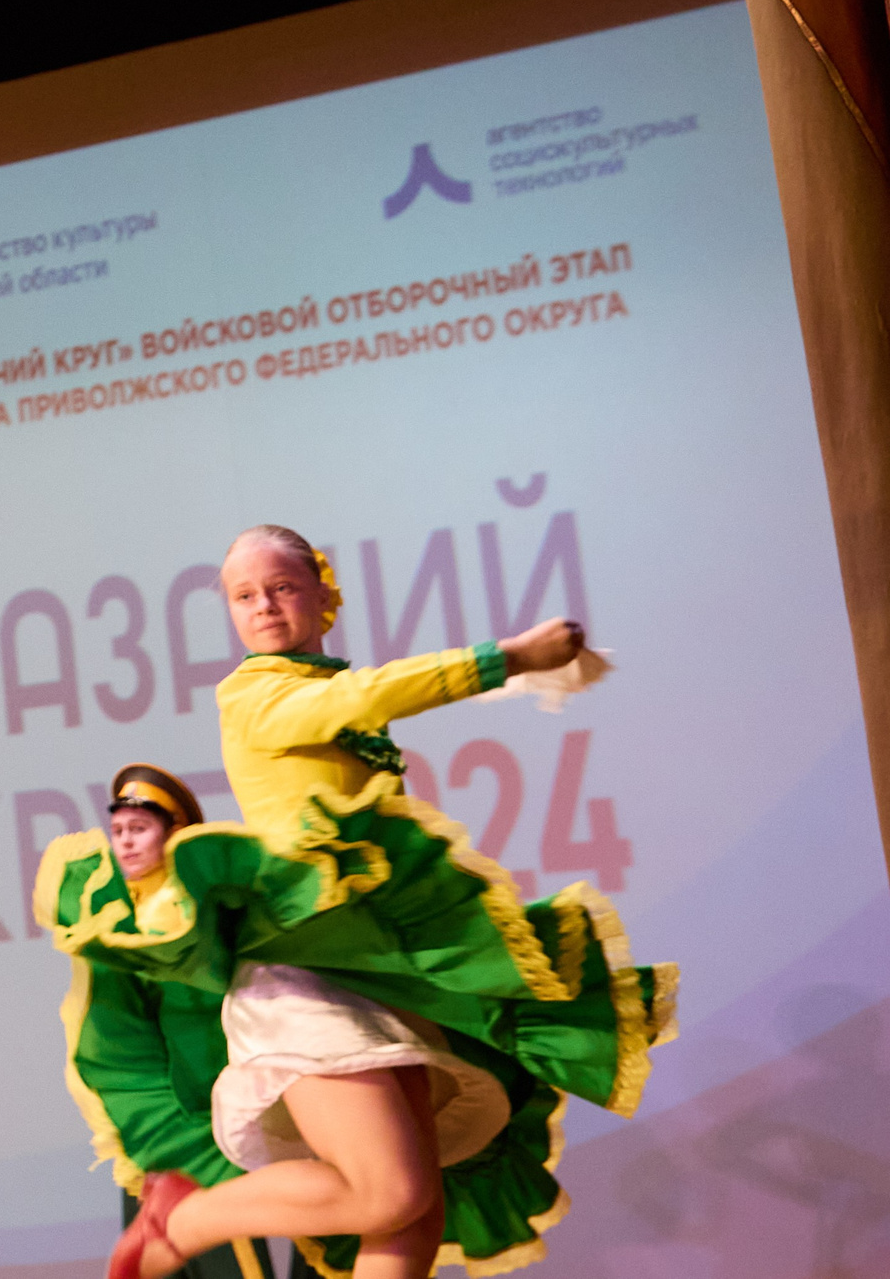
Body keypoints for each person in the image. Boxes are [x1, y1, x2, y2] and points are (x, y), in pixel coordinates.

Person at [36, 526, 677, 1279]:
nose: (263, 605)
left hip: (370, 968)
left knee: (414, 1214)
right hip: (302, 973)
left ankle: (192, 1215)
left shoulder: (318, 684)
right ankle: (187, 1215)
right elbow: (363, 692)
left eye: (280, 586)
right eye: (244, 595)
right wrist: (510, 657)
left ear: (320, 594)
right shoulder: (253, 692)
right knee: (388, 1191)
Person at [69, 766, 311, 1279]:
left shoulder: (217, 909)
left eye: (141, 829)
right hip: (169, 1125)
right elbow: (119, 1040)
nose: (127, 844)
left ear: (177, 832)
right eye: (119, 832)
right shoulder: (116, 926)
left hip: (245, 1115)